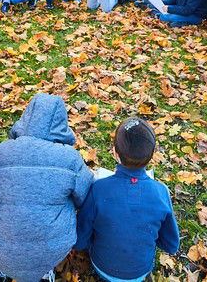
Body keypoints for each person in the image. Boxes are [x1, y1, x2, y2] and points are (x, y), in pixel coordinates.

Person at [0, 93, 94, 282]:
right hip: (52, 251)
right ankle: (43, 270)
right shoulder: (71, 158)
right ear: (62, 125)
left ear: (26, 117)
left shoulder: (1, 152)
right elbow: (84, 197)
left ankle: (5, 269)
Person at [75, 117, 180, 281]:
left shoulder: (98, 188)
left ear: (115, 153)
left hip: (102, 267)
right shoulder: (161, 192)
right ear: (151, 156)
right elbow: (171, 244)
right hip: (140, 272)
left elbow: (81, 239)